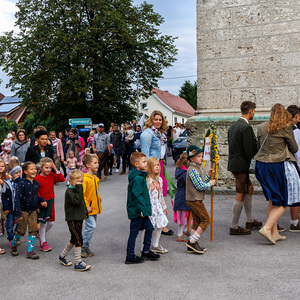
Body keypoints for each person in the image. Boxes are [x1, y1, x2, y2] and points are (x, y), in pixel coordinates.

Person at [256, 104, 298, 244]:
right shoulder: (286, 128)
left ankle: (274, 233)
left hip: (261, 165)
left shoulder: (261, 126)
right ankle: (267, 228)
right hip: (277, 165)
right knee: (283, 202)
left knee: (272, 200)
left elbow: (258, 146)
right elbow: (294, 147)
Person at [227, 101, 262, 235]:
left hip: (234, 163)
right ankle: (234, 226)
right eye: (254, 111)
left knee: (249, 188)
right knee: (241, 193)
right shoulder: (246, 127)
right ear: (251, 111)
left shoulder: (233, 126)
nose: (254, 113)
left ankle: (250, 220)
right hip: (242, 164)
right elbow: (249, 151)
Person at [141, 110, 172, 235]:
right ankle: (155, 222)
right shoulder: (147, 134)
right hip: (151, 166)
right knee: (153, 194)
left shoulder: (160, 134)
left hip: (159, 164)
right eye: (156, 119)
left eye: (160, 119)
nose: (158, 121)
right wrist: (147, 170)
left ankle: (159, 221)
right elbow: (145, 153)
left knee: (160, 193)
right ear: (151, 120)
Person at [125, 152, 160, 264]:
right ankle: (129, 256)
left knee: (149, 228)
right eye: (144, 162)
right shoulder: (137, 178)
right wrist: (141, 209)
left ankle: (146, 250)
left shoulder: (140, 175)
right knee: (134, 233)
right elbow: (137, 195)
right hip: (138, 211)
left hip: (142, 210)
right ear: (136, 164)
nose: (146, 163)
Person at [10, 161, 47, 259]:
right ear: (25, 171)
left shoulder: (36, 183)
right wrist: (18, 213)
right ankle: (13, 244)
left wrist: (42, 200)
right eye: (31, 169)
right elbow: (17, 199)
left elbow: (35, 196)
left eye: (35, 168)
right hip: (23, 211)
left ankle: (30, 251)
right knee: (21, 231)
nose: (34, 170)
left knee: (33, 230)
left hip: (33, 211)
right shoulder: (22, 184)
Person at [58, 169, 91, 271]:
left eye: (81, 181)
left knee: (74, 238)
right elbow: (77, 201)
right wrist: (80, 187)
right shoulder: (69, 191)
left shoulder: (77, 190)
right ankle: (78, 262)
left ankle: (62, 256)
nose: (79, 183)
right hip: (73, 220)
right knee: (78, 239)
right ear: (70, 180)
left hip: (78, 218)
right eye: (77, 181)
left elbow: (81, 203)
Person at [185, 145, 216, 254]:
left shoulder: (195, 168)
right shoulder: (193, 170)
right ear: (192, 159)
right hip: (194, 199)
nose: (201, 158)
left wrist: (208, 176)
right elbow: (200, 186)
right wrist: (210, 184)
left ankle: (192, 245)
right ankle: (192, 241)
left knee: (197, 221)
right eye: (199, 156)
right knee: (206, 219)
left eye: (201, 156)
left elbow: (200, 182)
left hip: (195, 199)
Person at [35, 158, 65, 251]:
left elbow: (62, 179)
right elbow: (36, 192)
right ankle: (43, 242)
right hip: (42, 203)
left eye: (50, 168)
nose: (48, 170)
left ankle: (40, 234)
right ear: (41, 167)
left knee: (51, 222)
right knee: (43, 222)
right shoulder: (37, 178)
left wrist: (55, 169)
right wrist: (41, 200)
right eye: (46, 167)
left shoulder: (52, 175)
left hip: (51, 201)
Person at [143, 156, 169, 254]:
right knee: (148, 227)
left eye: (158, 165)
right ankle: (143, 247)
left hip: (157, 206)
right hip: (149, 206)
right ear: (149, 167)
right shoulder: (147, 180)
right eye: (154, 165)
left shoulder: (159, 180)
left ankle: (155, 245)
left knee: (160, 225)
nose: (157, 167)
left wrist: (164, 207)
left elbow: (160, 195)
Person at [81, 153, 101, 258]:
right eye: (95, 163)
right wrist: (86, 205)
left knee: (90, 227)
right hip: (88, 208)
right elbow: (82, 194)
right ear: (88, 165)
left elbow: (95, 193)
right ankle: (82, 246)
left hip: (95, 208)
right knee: (91, 226)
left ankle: (86, 246)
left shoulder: (95, 178)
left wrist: (99, 201)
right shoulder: (85, 178)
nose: (97, 165)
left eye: (97, 162)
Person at [286, 105, 300, 232]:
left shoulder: (283, 128)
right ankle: (294, 223)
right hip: (294, 164)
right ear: (296, 116)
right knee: (296, 194)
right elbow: (297, 151)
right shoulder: (294, 130)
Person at [1, 164, 22, 248]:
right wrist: (5, 208)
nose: (18, 174)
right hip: (10, 208)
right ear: (12, 174)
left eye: (19, 173)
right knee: (9, 224)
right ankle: (10, 238)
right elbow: (4, 197)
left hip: (19, 208)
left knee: (19, 224)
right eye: (16, 173)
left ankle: (16, 237)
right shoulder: (7, 183)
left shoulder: (21, 182)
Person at [173, 152, 191, 242]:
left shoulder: (179, 170)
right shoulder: (184, 173)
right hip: (183, 197)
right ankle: (180, 234)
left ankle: (184, 232)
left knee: (185, 216)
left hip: (181, 196)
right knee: (183, 216)